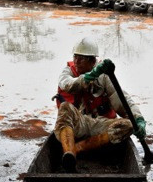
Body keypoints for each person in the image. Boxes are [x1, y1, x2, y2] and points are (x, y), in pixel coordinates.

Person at [53, 38, 147, 172]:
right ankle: (69, 153)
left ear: (92, 61)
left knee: (129, 124)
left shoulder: (104, 76)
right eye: (75, 56)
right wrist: (90, 76)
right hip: (80, 123)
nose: (76, 61)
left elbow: (123, 100)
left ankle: (76, 149)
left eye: (82, 58)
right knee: (65, 108)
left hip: (100, 124)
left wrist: (138, 119)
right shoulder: (67, 72)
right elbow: (68, 85)